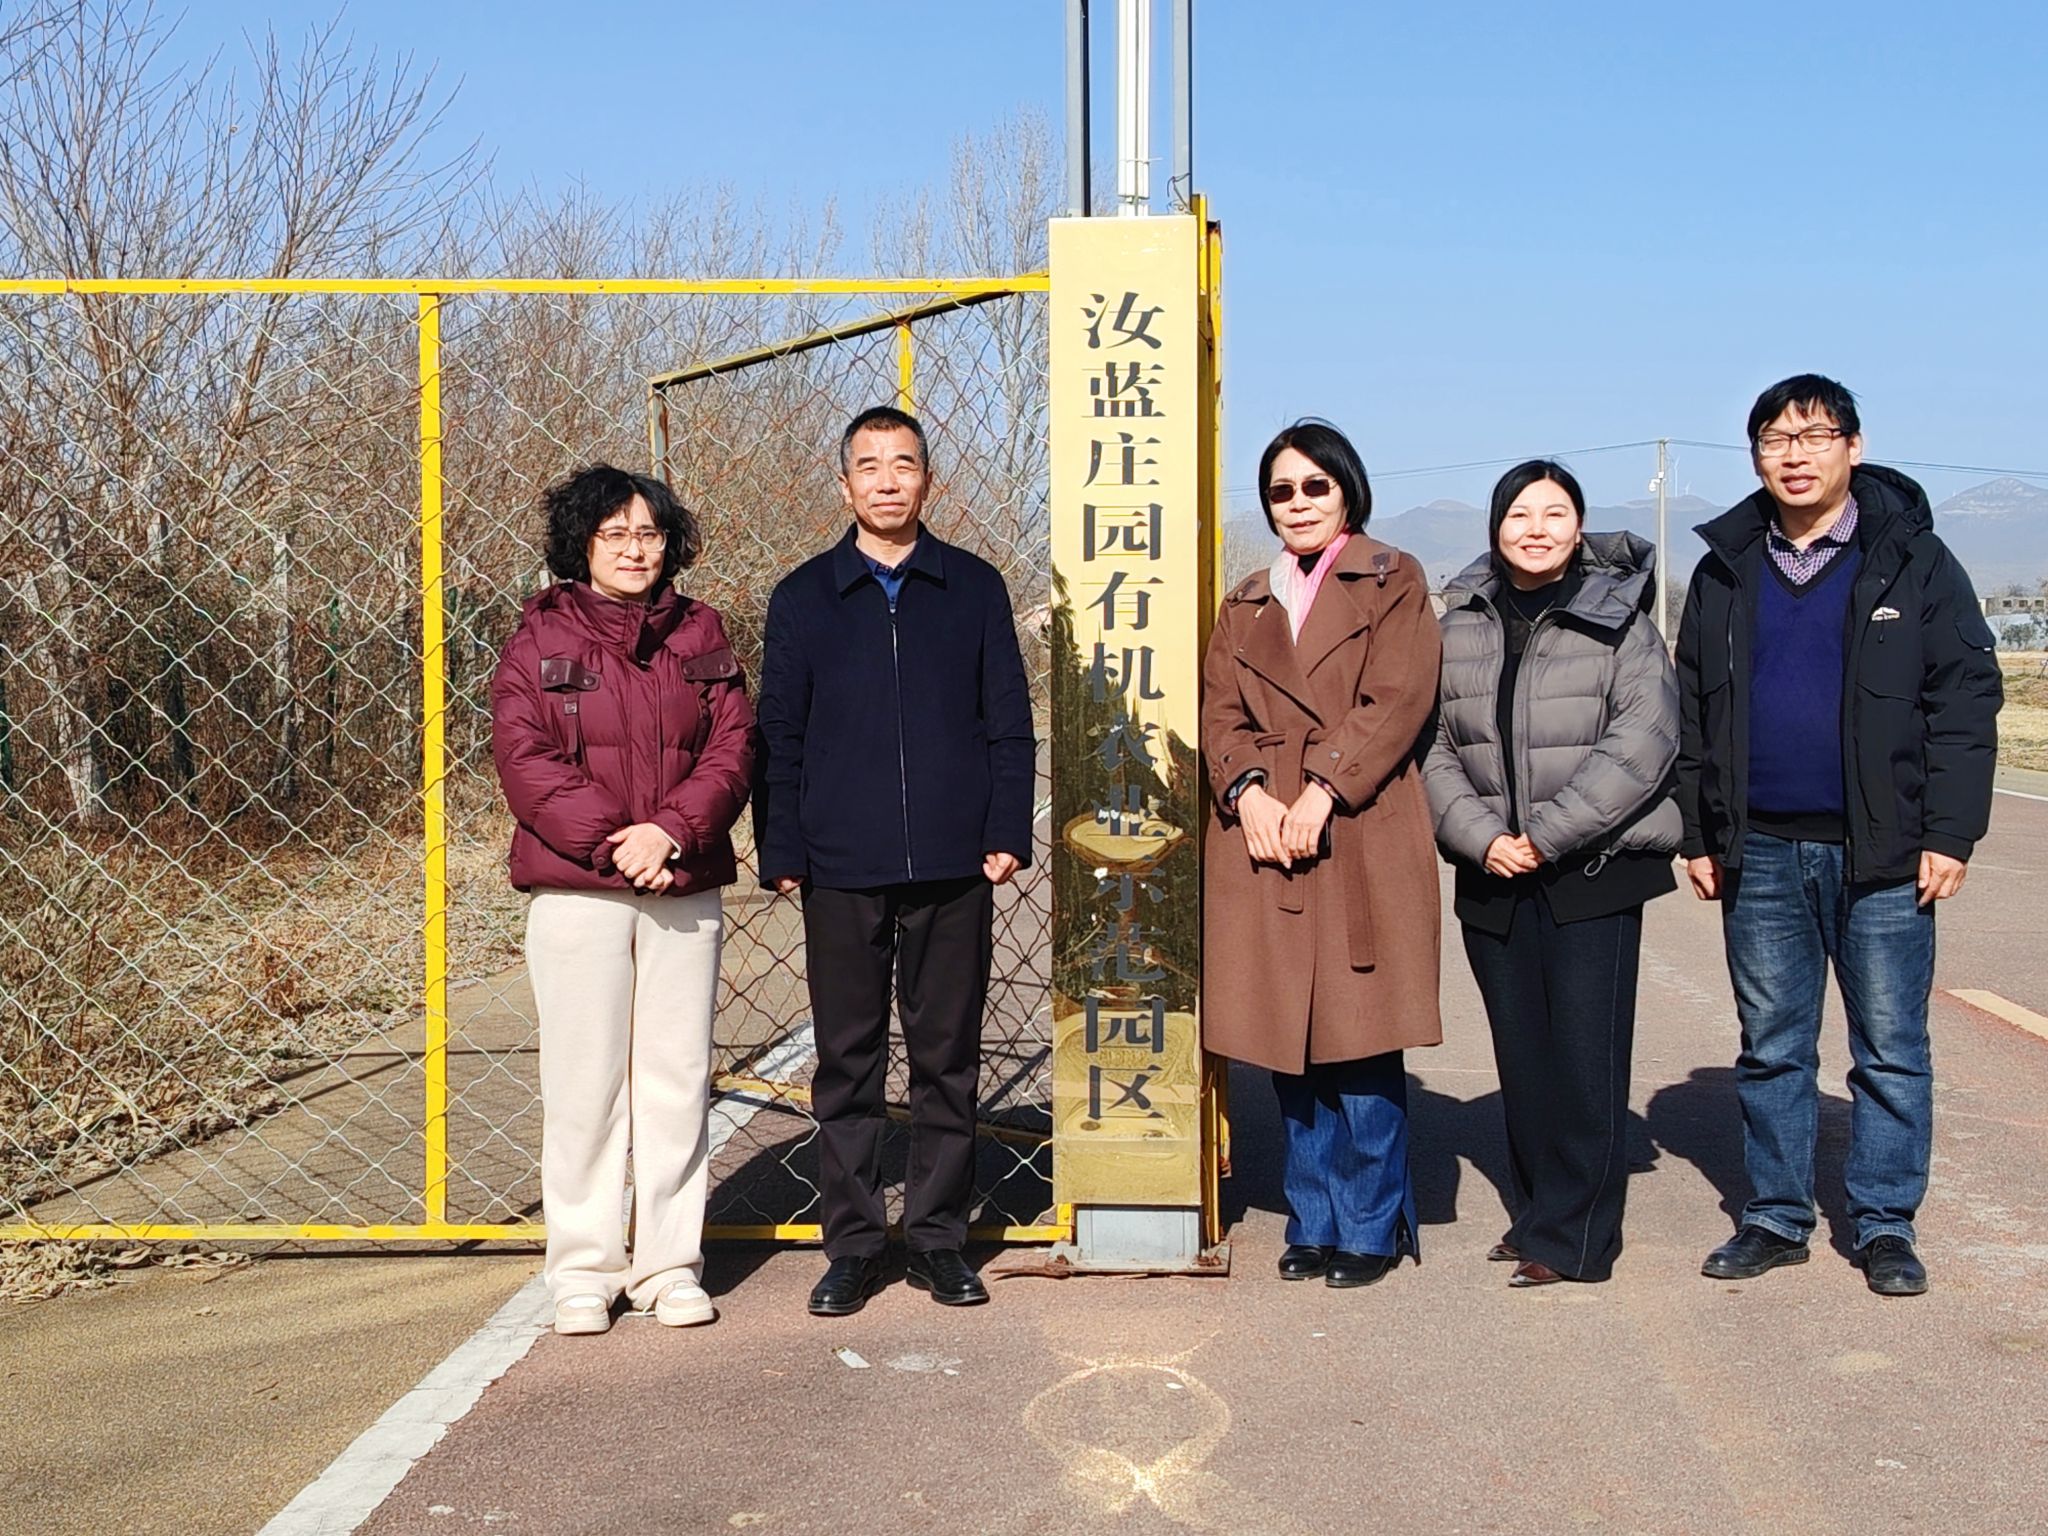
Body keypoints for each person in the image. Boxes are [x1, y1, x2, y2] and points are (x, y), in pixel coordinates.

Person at [1677, 374, 2001, 1297]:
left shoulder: (1914, 560)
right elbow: (1693, 706)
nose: (1795, 455)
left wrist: (1951, 833)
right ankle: (1777, 1216)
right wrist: (1699, 832)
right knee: (1773, 1045)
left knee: (1890, 1047)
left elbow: (1965, 700)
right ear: (1756, 457)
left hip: (1884, 853)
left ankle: (1885, 1223)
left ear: (1852, 448)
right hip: (1761, 852)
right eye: (1776, 439)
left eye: (1815, 436)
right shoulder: (1726, 566)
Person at [754, 405, 1035, 1317]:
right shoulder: (804, 597)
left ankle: (939, 1240)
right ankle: (854, 1244)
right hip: (840, 864)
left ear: (928, 481)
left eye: (903, 464)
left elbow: (1008, 719)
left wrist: (1006, 828)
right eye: (869, 466)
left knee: (948, 1058)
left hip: (955, 863)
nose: (887, 480)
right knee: (848, 1062)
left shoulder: (974, 588)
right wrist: (782, 844)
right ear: (844, 485)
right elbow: (779, 733)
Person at [490, 464, 755, 1336]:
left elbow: (733, 747)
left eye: (649, 533)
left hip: (681, 881)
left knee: (676, 1083)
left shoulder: (702, 631)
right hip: (580, 890)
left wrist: (670, 832)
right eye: (616, 535)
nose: (636, 550)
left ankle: (669, 1266)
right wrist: (618, 842)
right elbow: (525, 760)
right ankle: (584, 1270)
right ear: (582, 545)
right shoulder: (537, 637)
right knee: (585, 1085)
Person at [1424, 460, 1681, 1287]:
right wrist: (1482, 838)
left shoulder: (1621, 621)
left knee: (1583, 1058)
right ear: (1496, 526)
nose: (1536, 529)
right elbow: (1431, 745)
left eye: (1554, 513)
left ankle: (1578, 1237)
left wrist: (1544, 835)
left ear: (1578, 527)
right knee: (1523, 1055)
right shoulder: (1460, 621)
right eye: (1519, 514)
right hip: (1492, 868)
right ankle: (1540, 1214)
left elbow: (1643, 743)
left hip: (1590, 868)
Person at [1200, 419, 1444, 1288]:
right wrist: (1247, 791)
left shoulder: (1391, 578)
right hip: (1263, 833)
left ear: (1347, 491)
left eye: (1315, 486)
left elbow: (1398, 699)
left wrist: (1324, 789)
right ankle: (1312, 1217)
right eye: (1281, 490)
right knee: (1285, 1040)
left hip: (1359, 826)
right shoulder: (1245, 601)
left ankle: (1372, 1222)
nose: (1297, 503)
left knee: (1361, 1039)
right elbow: (1218, 711)